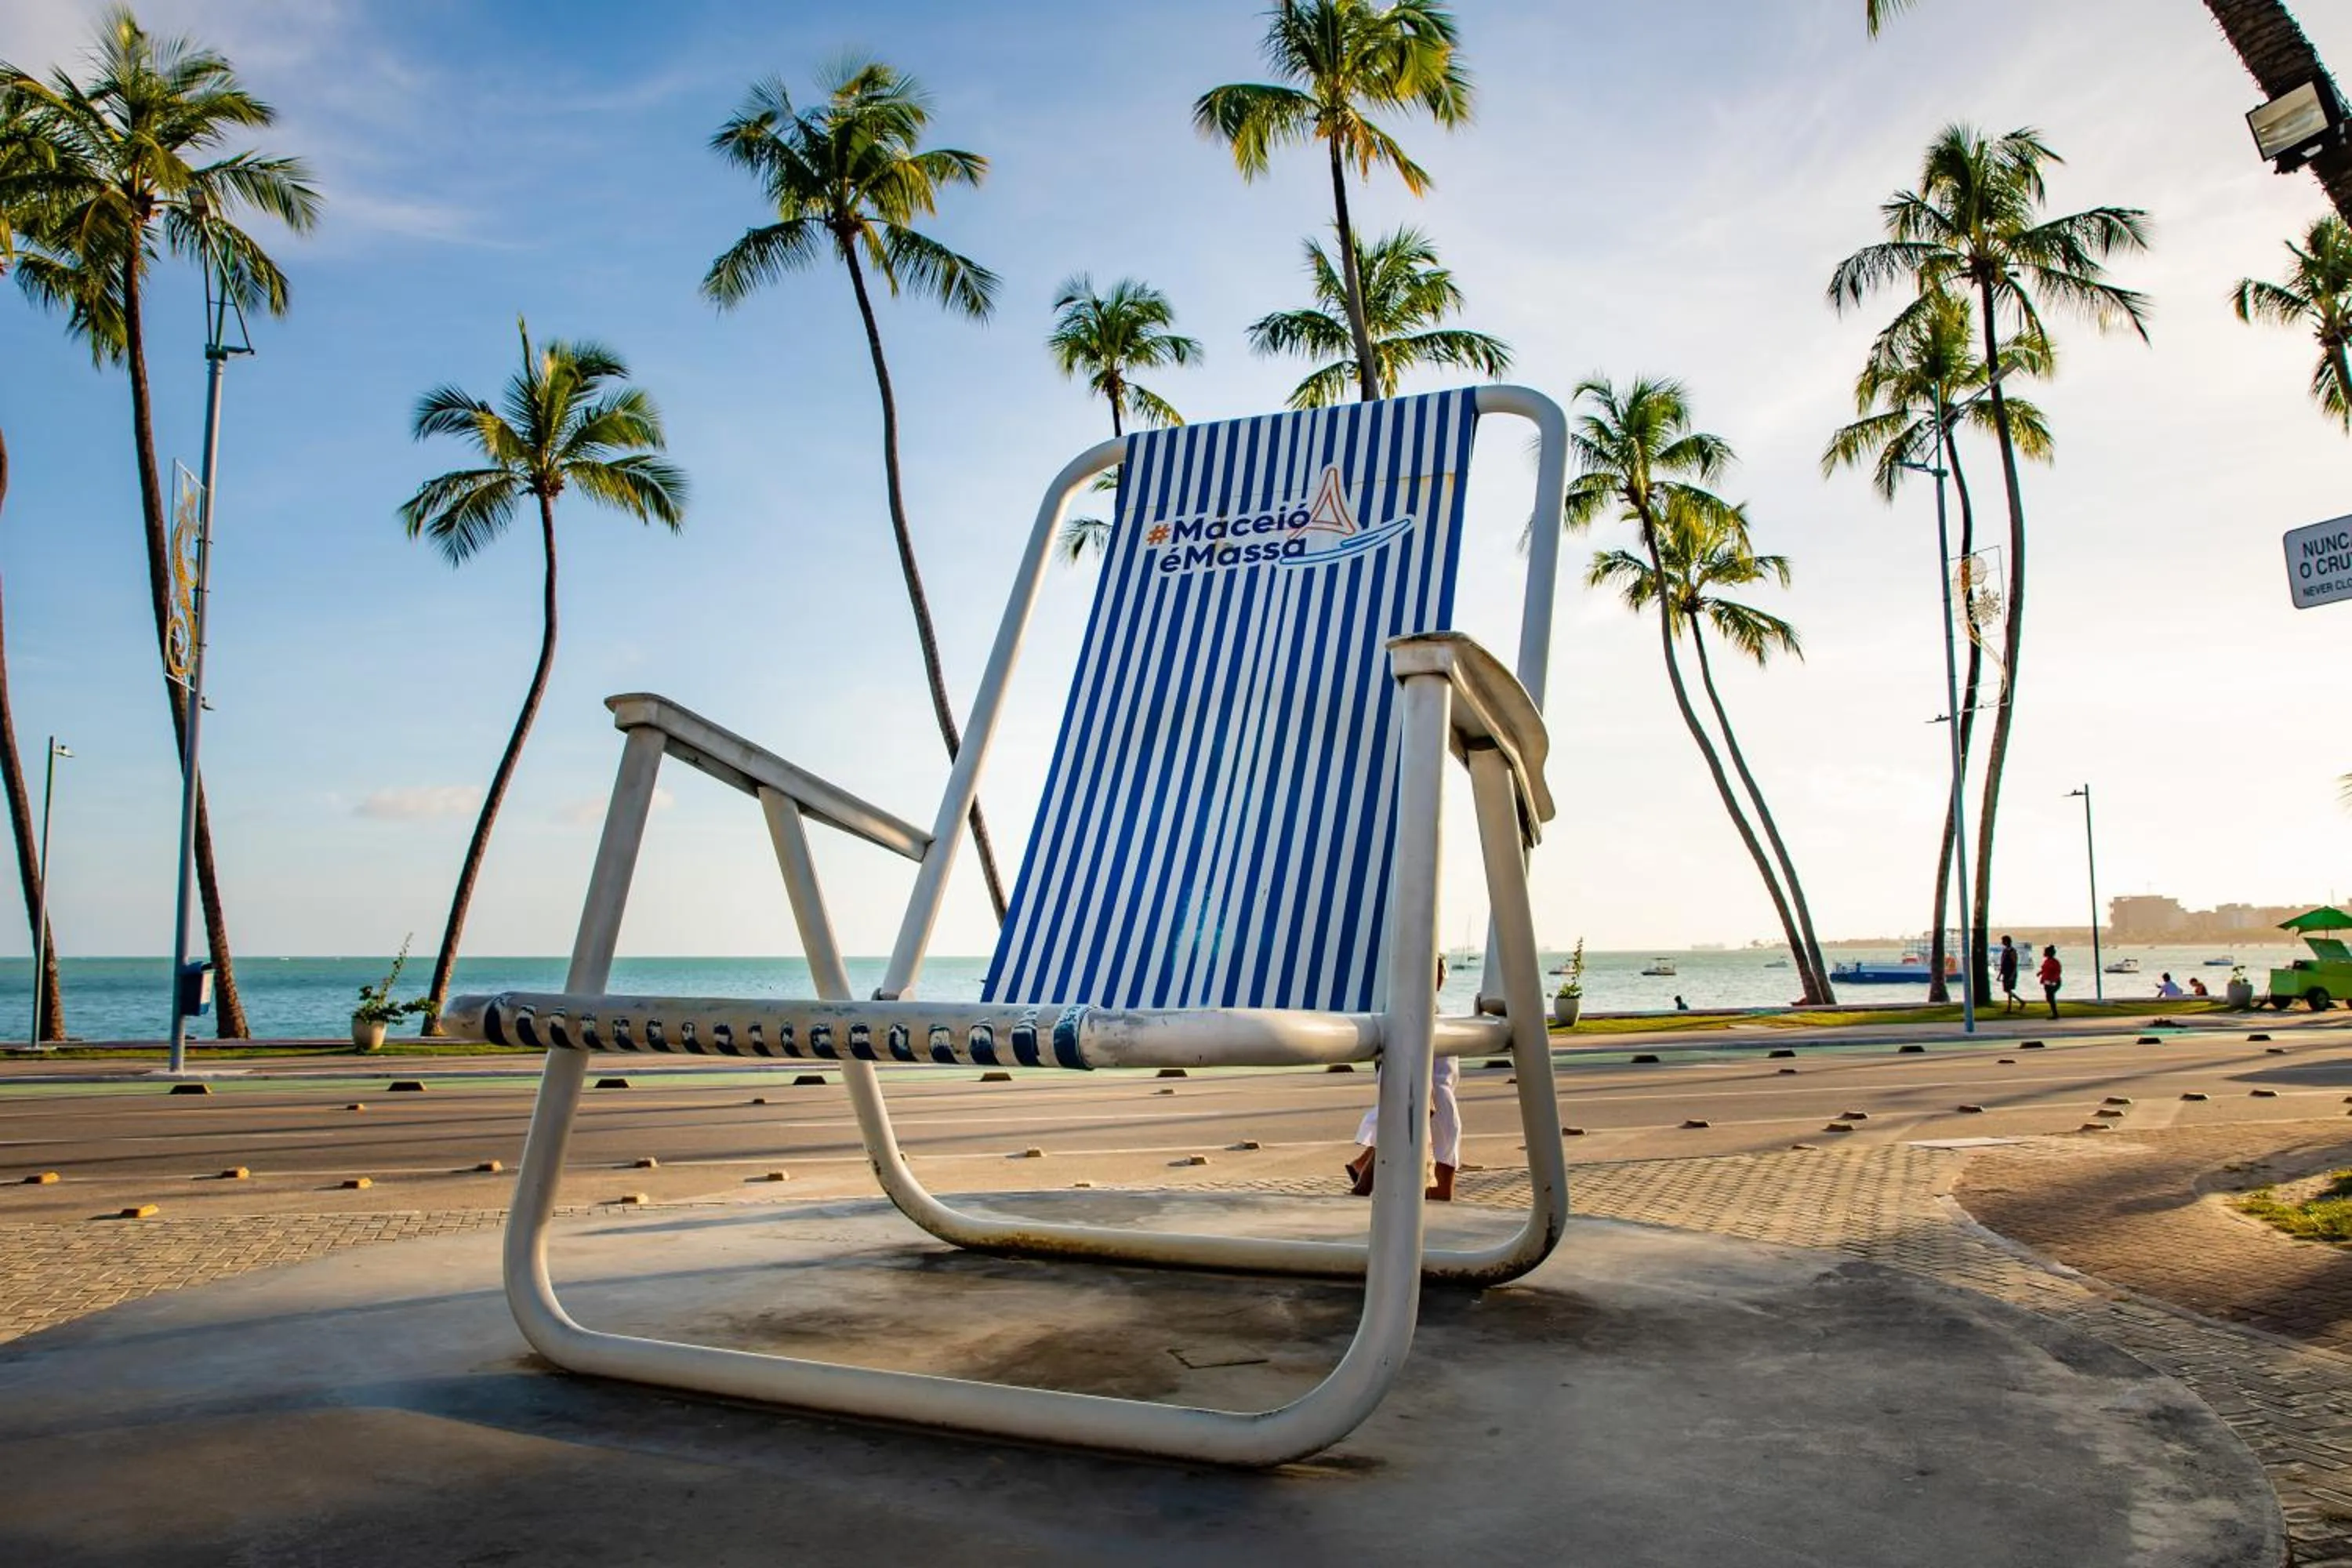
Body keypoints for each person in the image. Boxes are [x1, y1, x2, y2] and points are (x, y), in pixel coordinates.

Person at [1347, 954, 1461, 1201]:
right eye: (1436, 970)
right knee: (1438, 1186)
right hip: (1432, 1099)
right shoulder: (1417, 1014)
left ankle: (1361, 1179)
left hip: (1430, 1097)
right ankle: (1362, 1181)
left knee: (1394, 1148)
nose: (1441, 976)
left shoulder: (1410, 1010)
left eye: (1442, 969)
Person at [2038, 944, 2063, 1020]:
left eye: (2045, 952)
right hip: (2047, 981)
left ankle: (2055, 1014)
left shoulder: (2055, 962)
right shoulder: (2047, 961)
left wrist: (2054, 981)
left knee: (2050, 996)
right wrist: (2040, 973)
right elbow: (2045, 969)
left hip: (2054, 981)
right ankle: (2055, 1013)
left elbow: (2058, 972)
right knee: (2049, 997)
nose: (2044, 953)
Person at [1998, 935, 2021, 1014]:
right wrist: (2000, 974)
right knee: (2006, 989)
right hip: (2006, 973)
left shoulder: (2012, 951)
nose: (2002, 942)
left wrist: (2012, 975)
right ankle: (2020, 1001)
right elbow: (2003, 963)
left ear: (2007, 941)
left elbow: (2015, 964)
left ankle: (2009, 1008)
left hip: (2011, 973)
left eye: (2003, 941)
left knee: (2009, 989)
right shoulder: (2005, 951)